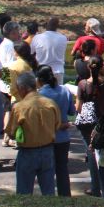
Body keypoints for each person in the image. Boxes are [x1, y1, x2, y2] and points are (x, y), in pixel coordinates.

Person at [5, 72, 60, 196]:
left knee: (24, 194)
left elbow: (11, 133)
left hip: (27, 152)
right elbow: (57, 125)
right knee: (49, 193)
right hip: (48, 150)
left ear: (22, 88)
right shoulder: (50, 103)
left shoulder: (19, 107)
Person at [75, 55, 104, 197]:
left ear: (88, 68)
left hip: (87, 123)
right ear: (102, 66)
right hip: (103, 119)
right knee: (103, 152)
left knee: (91, 152)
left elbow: (78, 107)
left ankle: (96, 187)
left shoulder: (83, 84)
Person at [36, 65, 75, 197]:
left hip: (46, 138)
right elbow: (72, 111)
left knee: (47, 171)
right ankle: (65, 197)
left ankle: (49, 197)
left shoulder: (39, 95)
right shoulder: (65, 90)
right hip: (63, 138)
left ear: (39, 79)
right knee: (62, 169)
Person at [30, 17, 68, 84]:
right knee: (58, 92)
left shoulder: (37, 38)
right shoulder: (63, 38)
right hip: (58, 71)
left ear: (46, 25)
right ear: (57, 26)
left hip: (42, 71)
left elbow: (31, 53)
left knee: (42, 93)